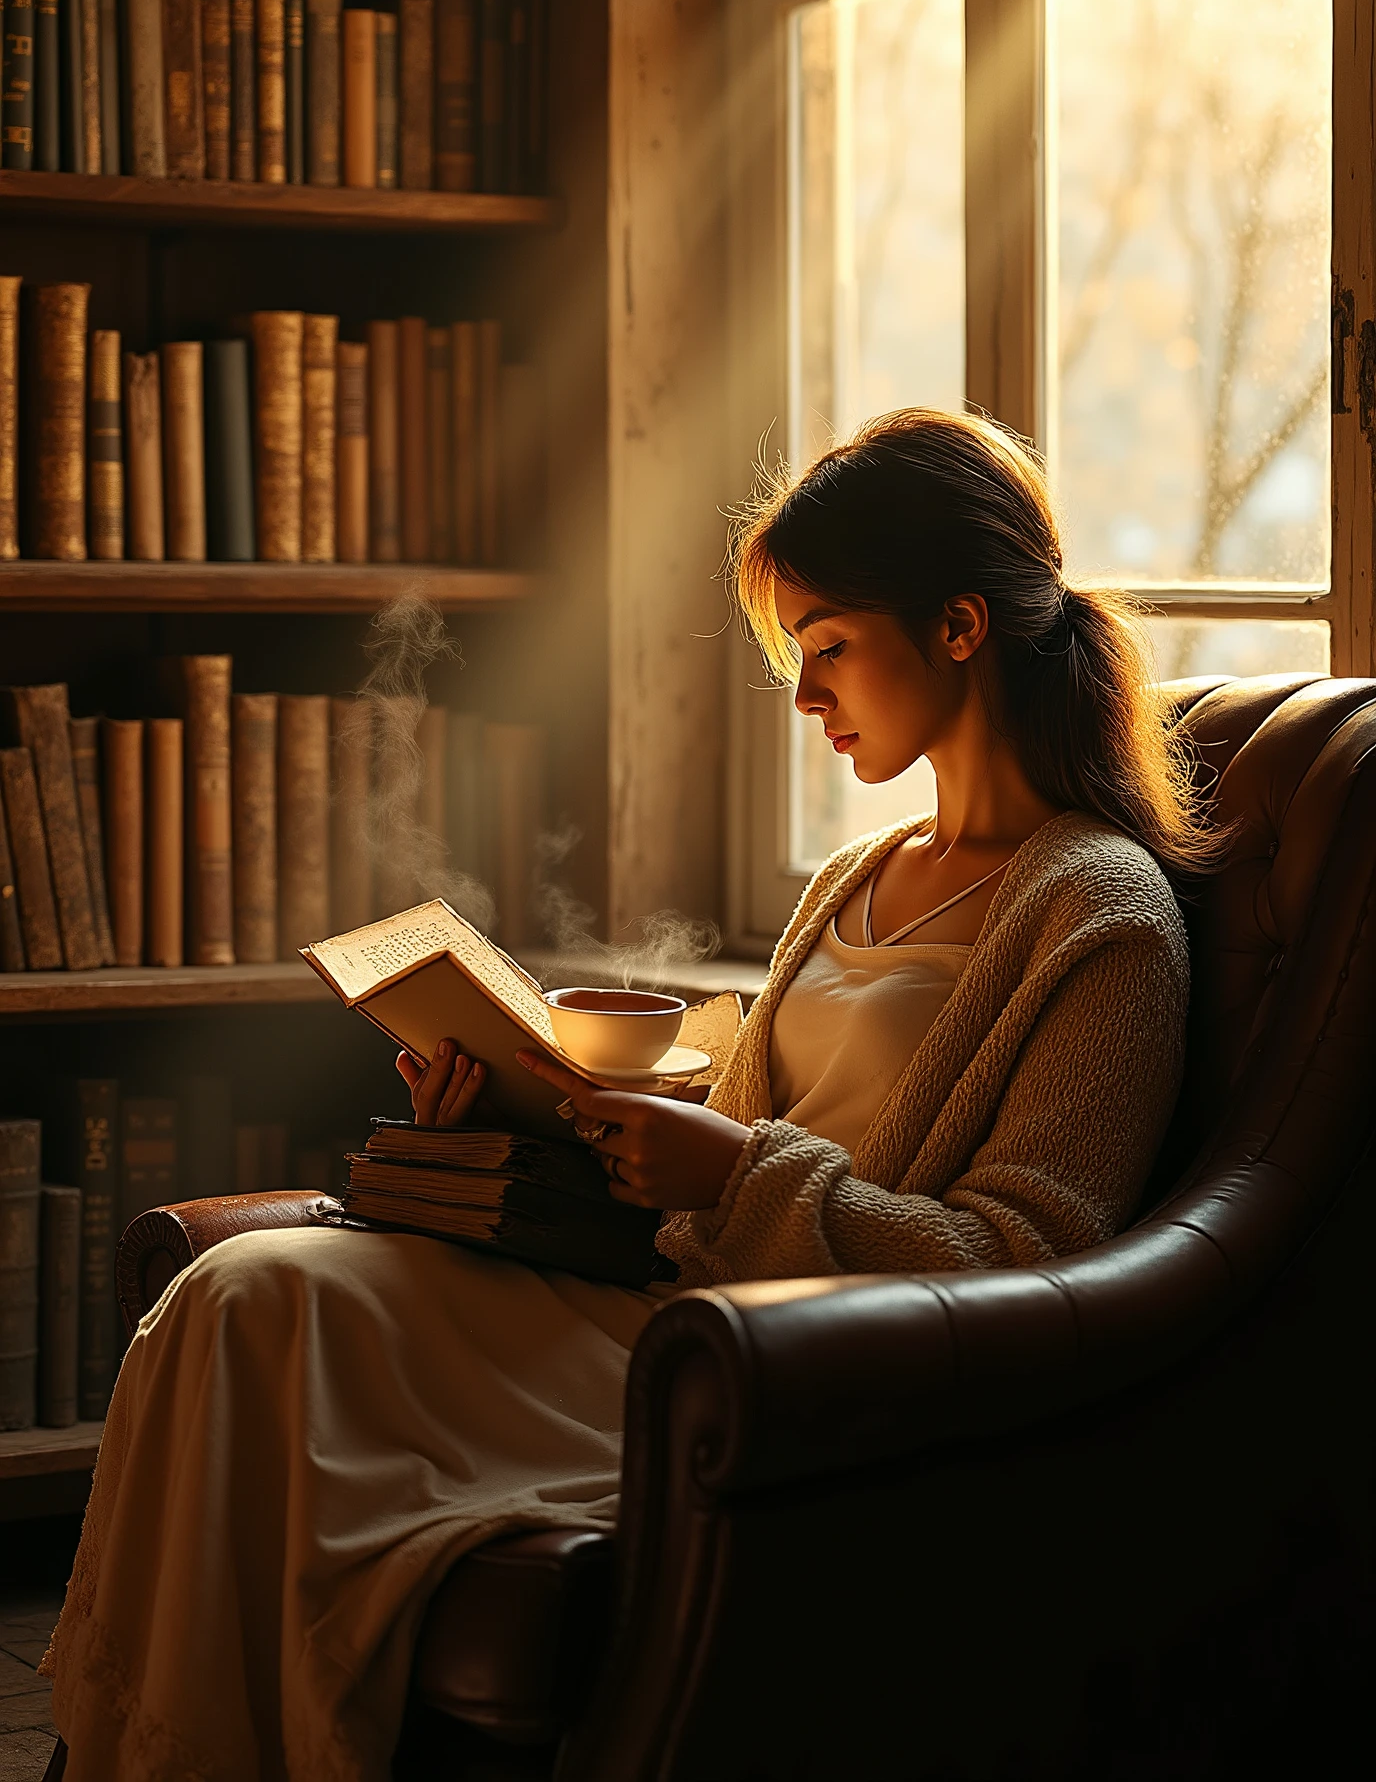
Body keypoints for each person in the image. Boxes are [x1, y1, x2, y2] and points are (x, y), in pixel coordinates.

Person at [42, 409, 1203, 1780]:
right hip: (665, 1305)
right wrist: (521, 1123)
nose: (806, 694)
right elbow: (726, 1161)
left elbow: (1030, 1265)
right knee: (233, 1298)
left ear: (959, 626)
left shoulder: (1100, 914)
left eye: (828, 645)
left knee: (256, 1319)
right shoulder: (859, 877)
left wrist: (731, 1174)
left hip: (795, 1373)